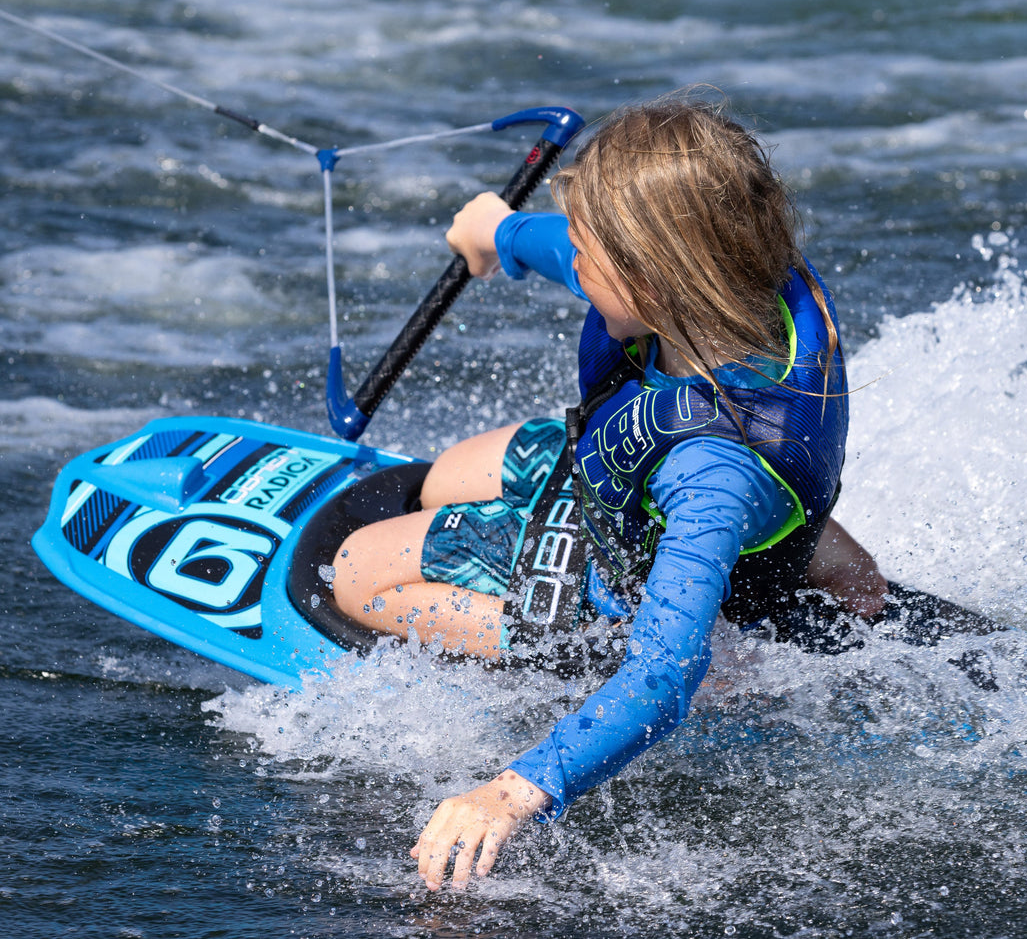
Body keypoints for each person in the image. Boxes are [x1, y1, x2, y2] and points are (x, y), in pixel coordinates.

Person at [331, 95, 887, 891]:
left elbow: (663, 679)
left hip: (627, 568)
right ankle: (819, 553)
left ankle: (604, 646)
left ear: (652, 280)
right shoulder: (740, 284)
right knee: (445, 474)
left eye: (593, 258)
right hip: (635, 486)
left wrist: (510, 794)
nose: (578, 269)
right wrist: (497, 233)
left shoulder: (712, 468)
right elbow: (571, 247)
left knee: (357, 569)